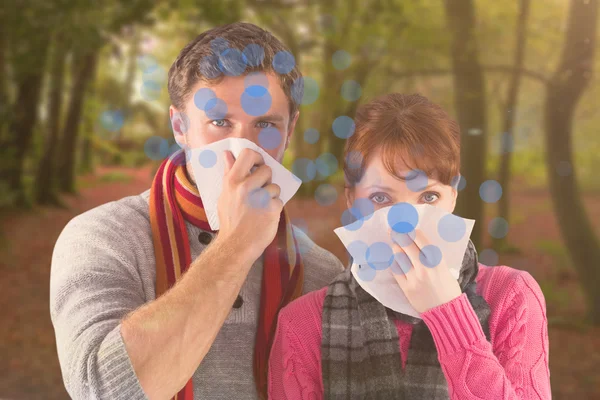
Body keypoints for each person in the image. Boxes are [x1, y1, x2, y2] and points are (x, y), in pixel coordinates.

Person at [49, 22, 344, 400]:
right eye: (220, 123)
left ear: (290, 131)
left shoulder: (322, 273)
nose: (244, 149)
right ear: (179, 126)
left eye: (265, 125)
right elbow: (102, 391)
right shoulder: (101, 237)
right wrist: (236, 245)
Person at [268, 93, 551, 399]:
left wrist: (447, 312)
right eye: (380, 198)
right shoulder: (302, 324)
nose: (406, 225)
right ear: (351, 201)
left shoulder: (510, 297)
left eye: (428, 197)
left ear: (452, 196)